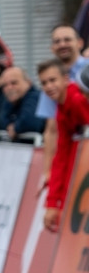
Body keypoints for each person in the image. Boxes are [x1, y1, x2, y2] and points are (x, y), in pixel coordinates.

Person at [37, 58, 89, 232]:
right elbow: (62, 154)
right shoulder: (61, 107)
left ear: (66, 79)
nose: (49, 86)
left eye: (53, 80)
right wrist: (53, 202)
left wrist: (56, 203)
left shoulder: (76, 100)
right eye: (44, 83)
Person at [36, 25, 89, 185]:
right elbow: (52, 130)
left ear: (79, 43)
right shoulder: (50, 79)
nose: (62, 44)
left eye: (67, 39)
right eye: (57, 41)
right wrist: (48, 171)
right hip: (76, 155)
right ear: (52, 48)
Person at [0, 67, 45, 142]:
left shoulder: (35, 96)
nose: (9, 88)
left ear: (28, 82)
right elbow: (1, 120)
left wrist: (15, 128)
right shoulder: (12, 100)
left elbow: (30, 122)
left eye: (14, 83)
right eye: (5, 85)